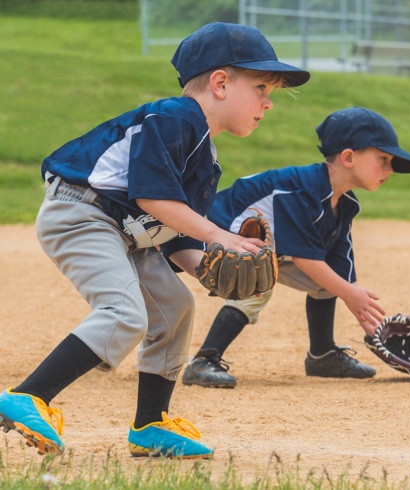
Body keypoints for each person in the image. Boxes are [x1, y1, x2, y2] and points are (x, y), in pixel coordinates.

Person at [0, 23, 309, 458]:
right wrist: (219, 235)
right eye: (260, 86)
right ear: (220, 83)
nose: (268, 101)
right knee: (124, 313)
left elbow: (172, 232)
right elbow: (151, 196)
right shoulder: (174, 117)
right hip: (82, 213)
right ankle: (28, 396)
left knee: (175, 309)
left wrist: (203, 265)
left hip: (130, 233)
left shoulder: (205, 156)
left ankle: (150, 424)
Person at [174, 107, 410, 388]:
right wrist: (349, 294)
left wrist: (366, 320)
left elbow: (338, 271)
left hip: (258, 249)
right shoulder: (302, 192)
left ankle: (323, 355)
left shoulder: (344, 203)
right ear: (348, 157)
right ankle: (204, 360)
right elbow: (305, 258)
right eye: (383, 159)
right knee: (257, 277)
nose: (390, 169)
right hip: (210, 237)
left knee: (326, 281)